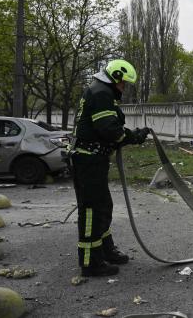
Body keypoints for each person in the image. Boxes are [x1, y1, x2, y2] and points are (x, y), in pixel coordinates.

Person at [69, 59, 149, 277]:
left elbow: (107, 127)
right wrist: (134, 137)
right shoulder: (102, 93)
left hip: (92, 159)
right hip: (89, 160)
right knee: (92, 211)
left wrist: (131, 135)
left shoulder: (99, 91)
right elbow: (111, 131)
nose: (124, 87)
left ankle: (105, 250)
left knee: (103, 206)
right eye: (123, 83)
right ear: (115, 78)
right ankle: (90, 262)